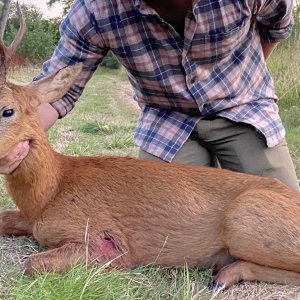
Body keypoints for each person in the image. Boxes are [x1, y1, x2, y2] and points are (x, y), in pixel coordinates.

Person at [1, 0, 299, 191]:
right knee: (164, 229)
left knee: (286, 217)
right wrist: (14, 138)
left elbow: (277, 25)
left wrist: (245, 81)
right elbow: (52, 95)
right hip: (168, 123)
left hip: (242, 109)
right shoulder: (94, 11)